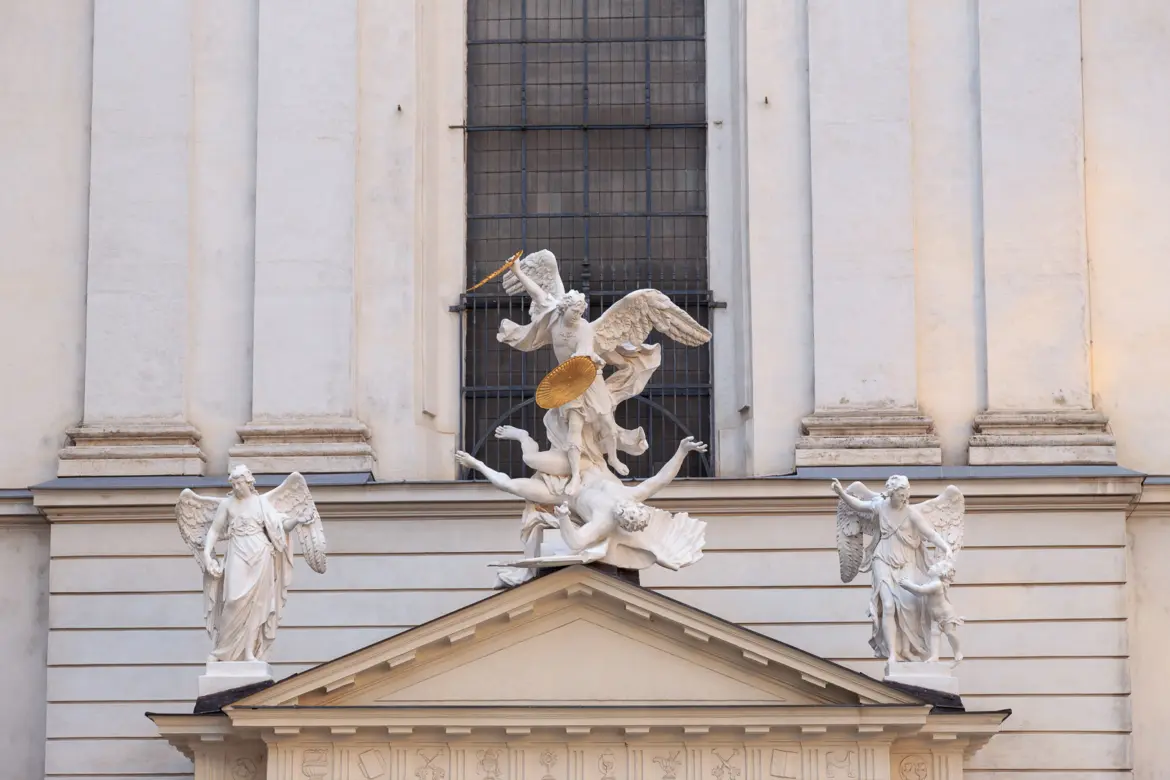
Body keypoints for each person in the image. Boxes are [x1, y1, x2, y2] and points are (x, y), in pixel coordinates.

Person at [831, 475, 954, 664]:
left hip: (906, 561)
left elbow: (930, 533)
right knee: (888, 605)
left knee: (909, 608)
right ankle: (892, 654)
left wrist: (946, 547)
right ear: (891, 494)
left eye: (906, 495)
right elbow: (858, 505)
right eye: (900, 495)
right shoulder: (881, 506)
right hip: (883, 559)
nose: (904, 499)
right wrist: (840, 492)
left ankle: (906, 649)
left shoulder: (911, 513)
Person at [899, 557, 965, 665]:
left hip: (946, 614)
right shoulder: (932, 583)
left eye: (935, 566)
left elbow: (920, 591)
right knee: (934, 634)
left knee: (950, 634)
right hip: (935, 615)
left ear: (941, 572)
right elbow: (920, 591)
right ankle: (935, 656)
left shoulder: (937, 585)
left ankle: (958, 652)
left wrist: (907, 585)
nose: (932, 566)